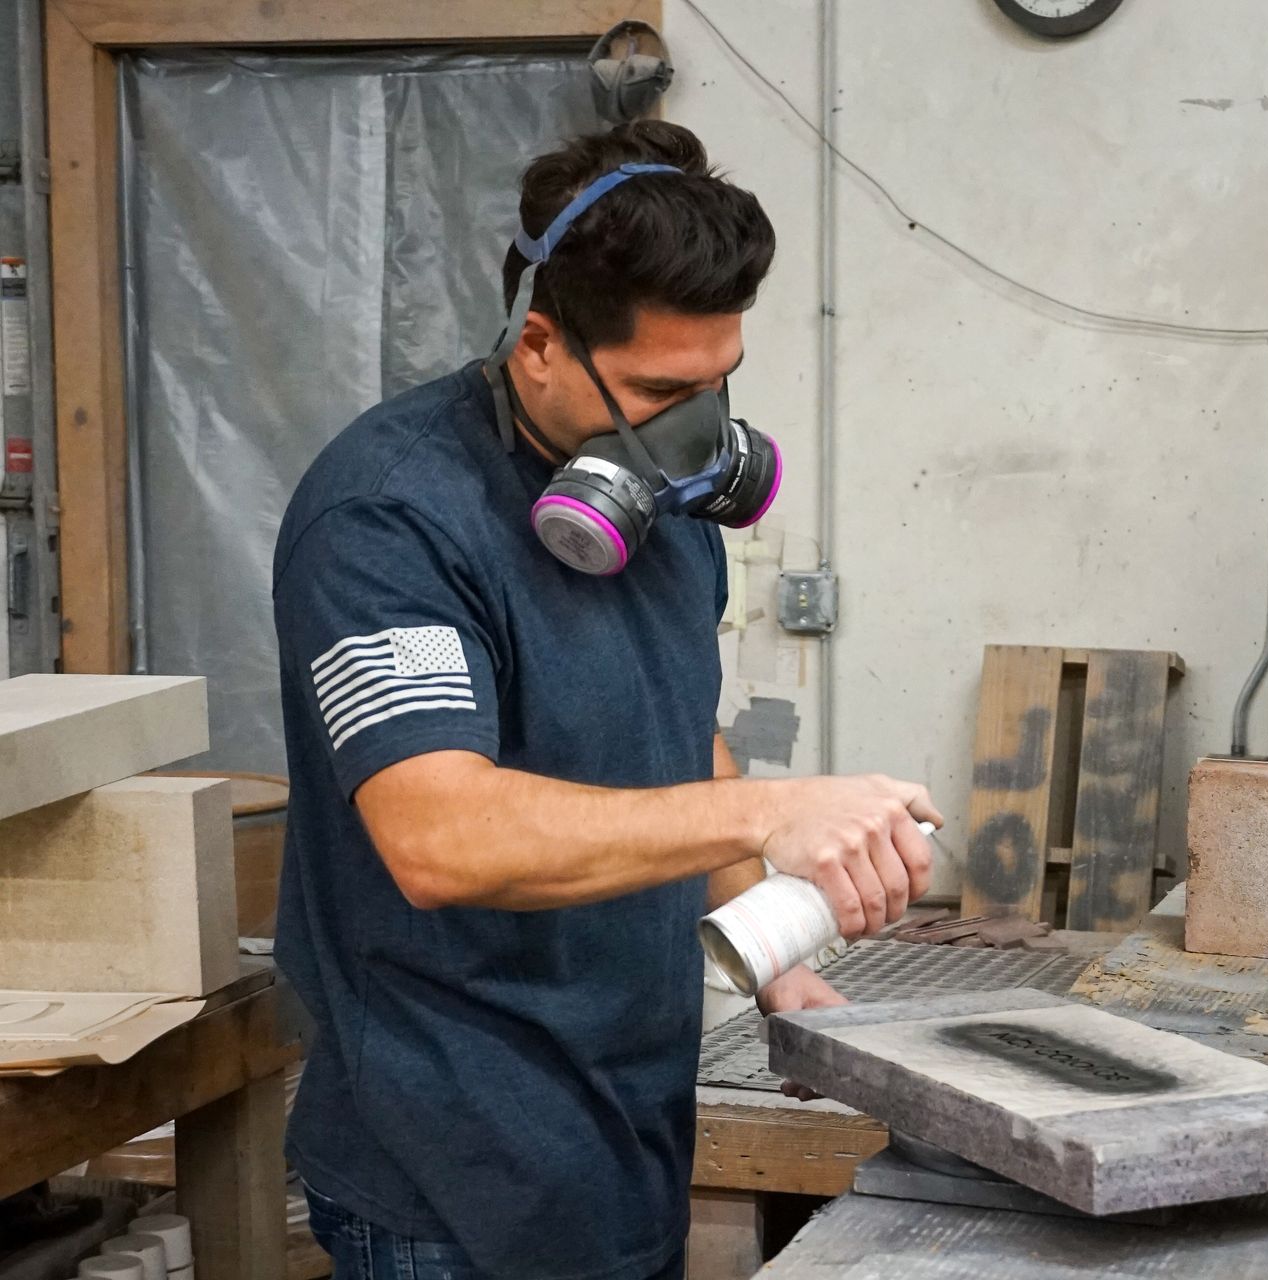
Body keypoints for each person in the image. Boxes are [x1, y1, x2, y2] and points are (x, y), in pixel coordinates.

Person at [271, 119, 939, 1280]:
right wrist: (769, 821)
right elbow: (439, 835)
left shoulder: (661, 505)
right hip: (453, 1172)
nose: (697, 429)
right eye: (659, 389)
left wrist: (777, 954)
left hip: (626, 1127)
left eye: (719, 383)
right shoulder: (387, 519)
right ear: (538, 343)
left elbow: (679, 743)